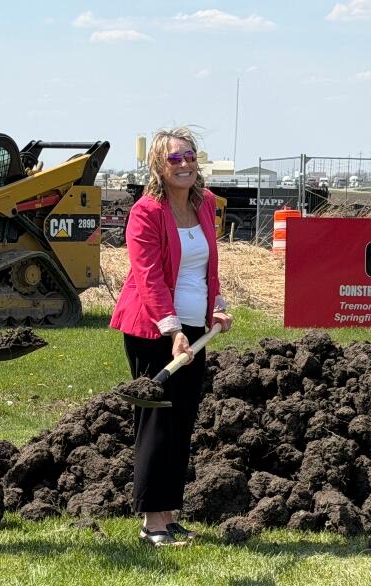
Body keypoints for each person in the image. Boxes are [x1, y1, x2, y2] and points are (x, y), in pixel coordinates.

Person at [111, 127, 233, 546]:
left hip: (194, 327)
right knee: (158, 422)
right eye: (173, 159)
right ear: (158, 168)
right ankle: (152, 523)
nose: (183, 164)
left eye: (189, 156)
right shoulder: (146, 212)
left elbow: (204, 267)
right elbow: (149, 278)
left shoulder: (205, 204)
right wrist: (173, 330)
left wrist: (216, 305)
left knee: (182, 421)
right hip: (153, 329)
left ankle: (169, 514)